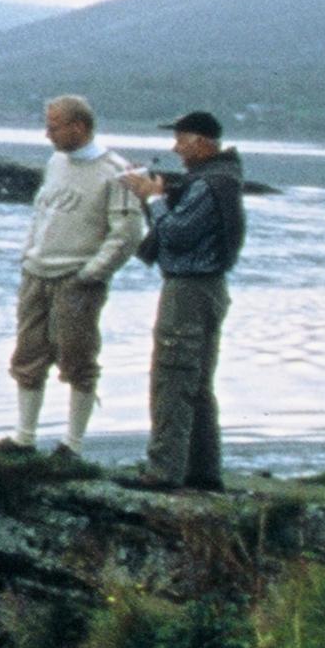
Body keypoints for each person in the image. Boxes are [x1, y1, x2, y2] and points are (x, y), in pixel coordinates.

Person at [8, 94, 144, 451]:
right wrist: (29, 255)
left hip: (77, 278)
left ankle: (73, 444)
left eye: (53, 127)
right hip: (36, 272)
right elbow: (42, 215)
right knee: (28, 354)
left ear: (78, 127)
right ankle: (24, 438)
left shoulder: (116, 171)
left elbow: (128, 233)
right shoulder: (55, 162)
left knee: (78, 358)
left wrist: (92, 273)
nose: (47, 134)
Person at [123, 111, 248, 491]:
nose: (175, 148)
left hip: (189, 290)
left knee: (173, 377)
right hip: (209, 287)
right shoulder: (222, 179)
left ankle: (163, 471)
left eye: (181, 139)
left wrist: (154, 199)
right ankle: (203, 471)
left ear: (201, 142)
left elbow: (176, 234)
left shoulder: (210, 184)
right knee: (197, 383)